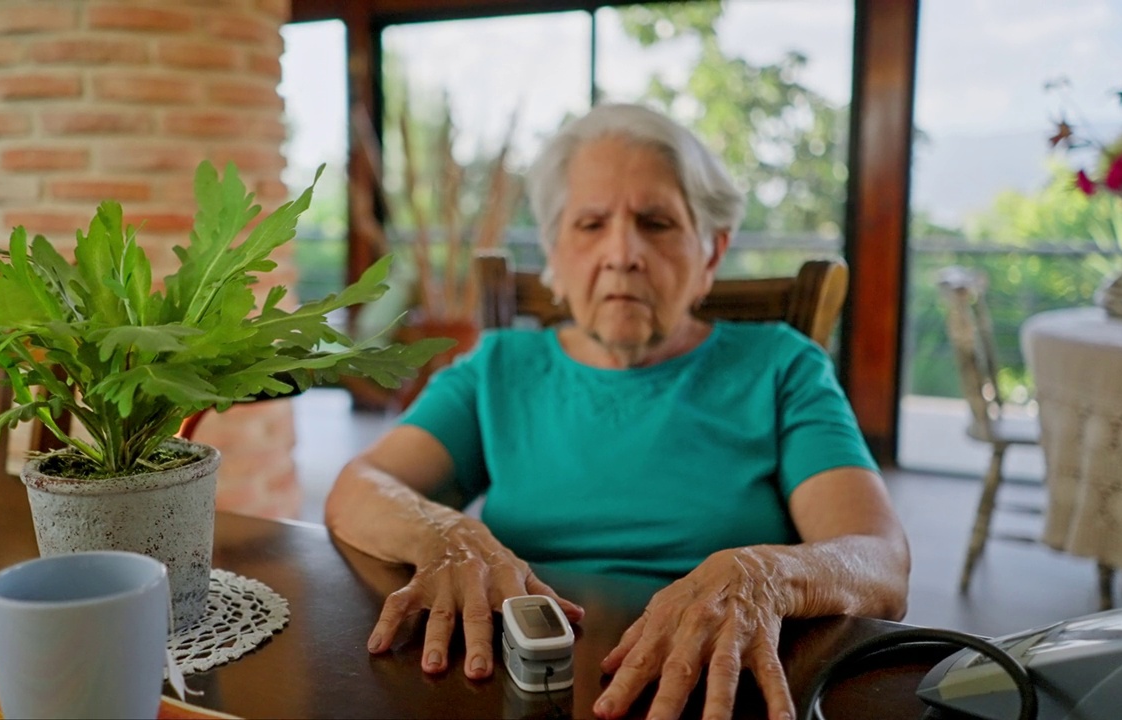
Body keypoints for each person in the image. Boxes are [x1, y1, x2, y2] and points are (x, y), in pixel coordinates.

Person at [324, 102, 910, 720]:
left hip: (718, 687)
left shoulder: (780, 367)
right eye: (591, 224)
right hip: (521, 685)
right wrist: (448, 536)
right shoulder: (498, 368)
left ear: (712, 252)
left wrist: (763, 573)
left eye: (656, 222)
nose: (623, 252)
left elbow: (879, 559)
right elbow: (359, 488)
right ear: (554, 253)